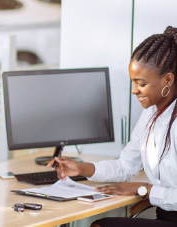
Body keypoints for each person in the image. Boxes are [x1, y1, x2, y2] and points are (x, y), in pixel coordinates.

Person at [47, 26, 177, 227]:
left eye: (140, 83)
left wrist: (143, 189)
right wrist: (82, 168)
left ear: (168, 80)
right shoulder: (150, 115)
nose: (134, 90)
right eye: (132, 82)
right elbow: (125, 165)